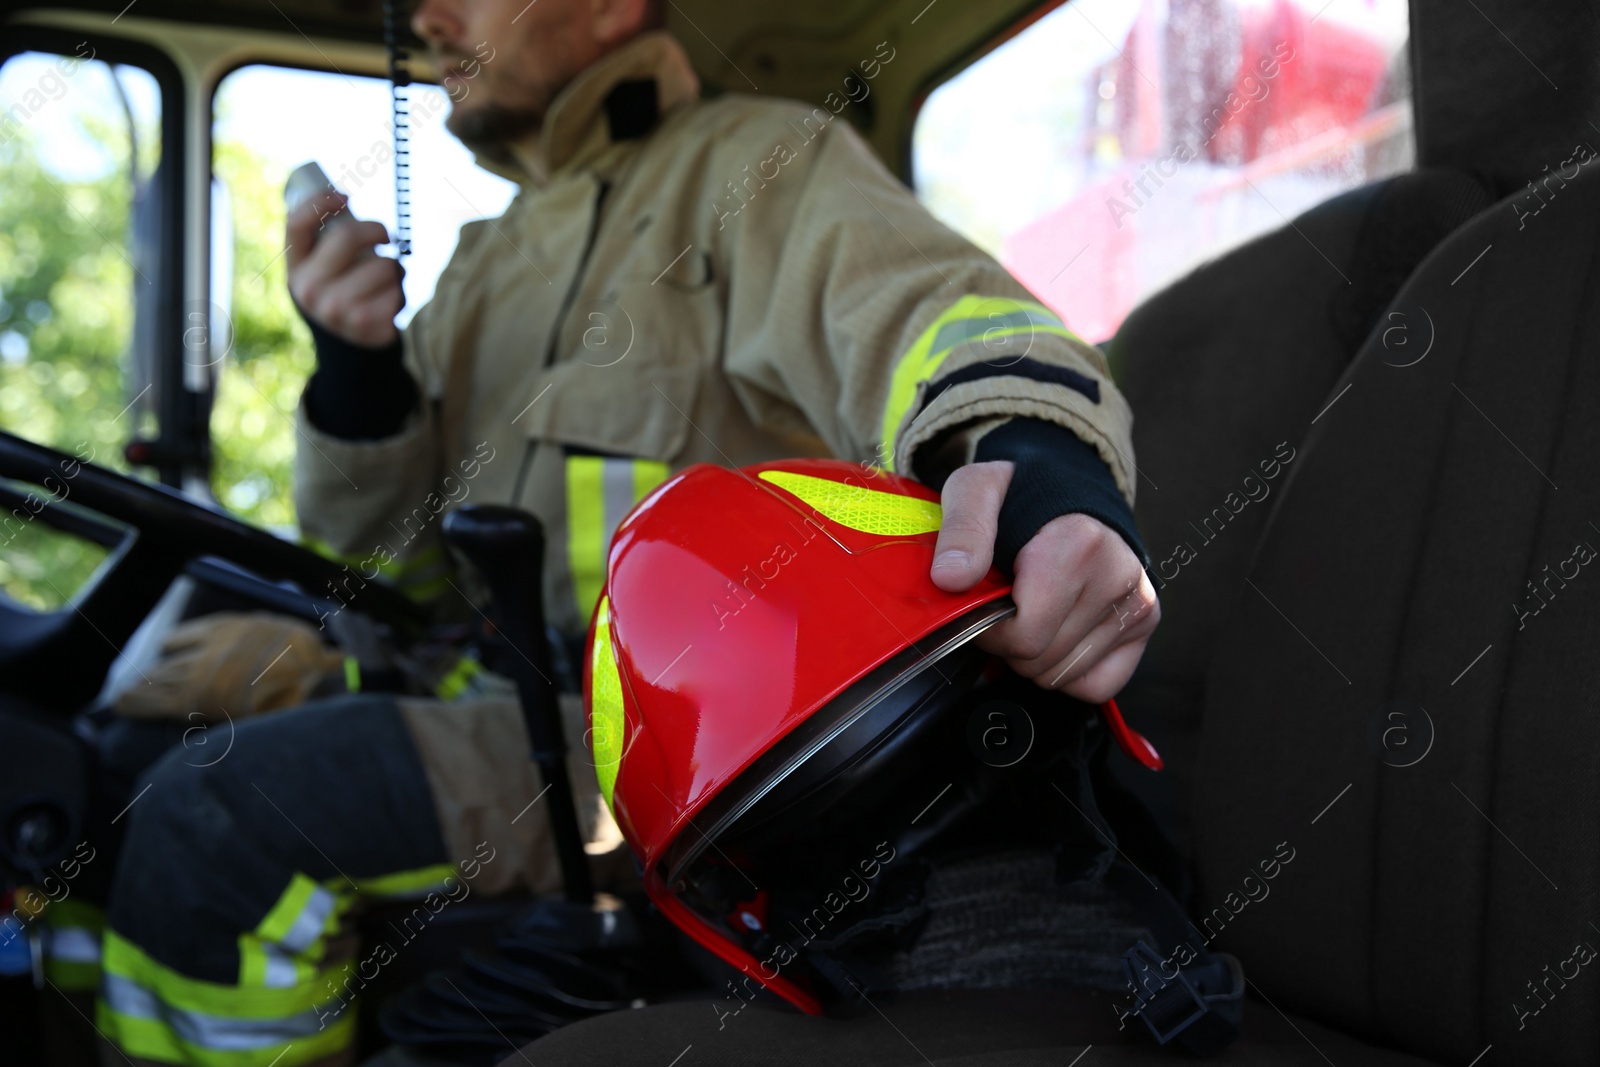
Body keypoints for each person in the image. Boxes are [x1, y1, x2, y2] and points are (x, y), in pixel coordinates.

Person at [97, 0, 1161, 1064]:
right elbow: (394, 570)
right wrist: (358, 373)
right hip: (469, 693)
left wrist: (1033, 456)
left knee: (220, 812)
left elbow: (939, 315)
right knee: (126, 752)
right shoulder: (480, 267)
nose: (426, 15)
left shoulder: (755, 164)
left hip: (650, 748)